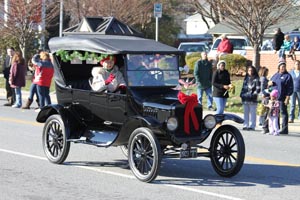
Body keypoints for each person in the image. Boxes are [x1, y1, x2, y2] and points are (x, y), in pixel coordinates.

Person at [267, 61, 293, 134]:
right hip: (274, 99)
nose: (283, 68)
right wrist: (269, 84)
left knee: (283, 113)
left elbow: (290, 87)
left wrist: (287, 97)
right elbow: (269, 86)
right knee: (275, 114)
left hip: (282, 98)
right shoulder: (275, 75)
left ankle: (284, 129)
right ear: (278, 67)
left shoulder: (288, 76)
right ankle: (276, 128)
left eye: (284, 67)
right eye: (282, 67)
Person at [240, 66, 261, 131]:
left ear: (254, 71)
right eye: (249, 70)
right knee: (246, 112)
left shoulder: (256, 79)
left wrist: (253, 95)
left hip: (252, 98)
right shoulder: (246, 78)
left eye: (251, 70)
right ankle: (245, 125)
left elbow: (258, 89)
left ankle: (252, 126)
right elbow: (243, 87)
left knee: (253, 112)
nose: (250, 72)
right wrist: (242, 94)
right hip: (245, 98)